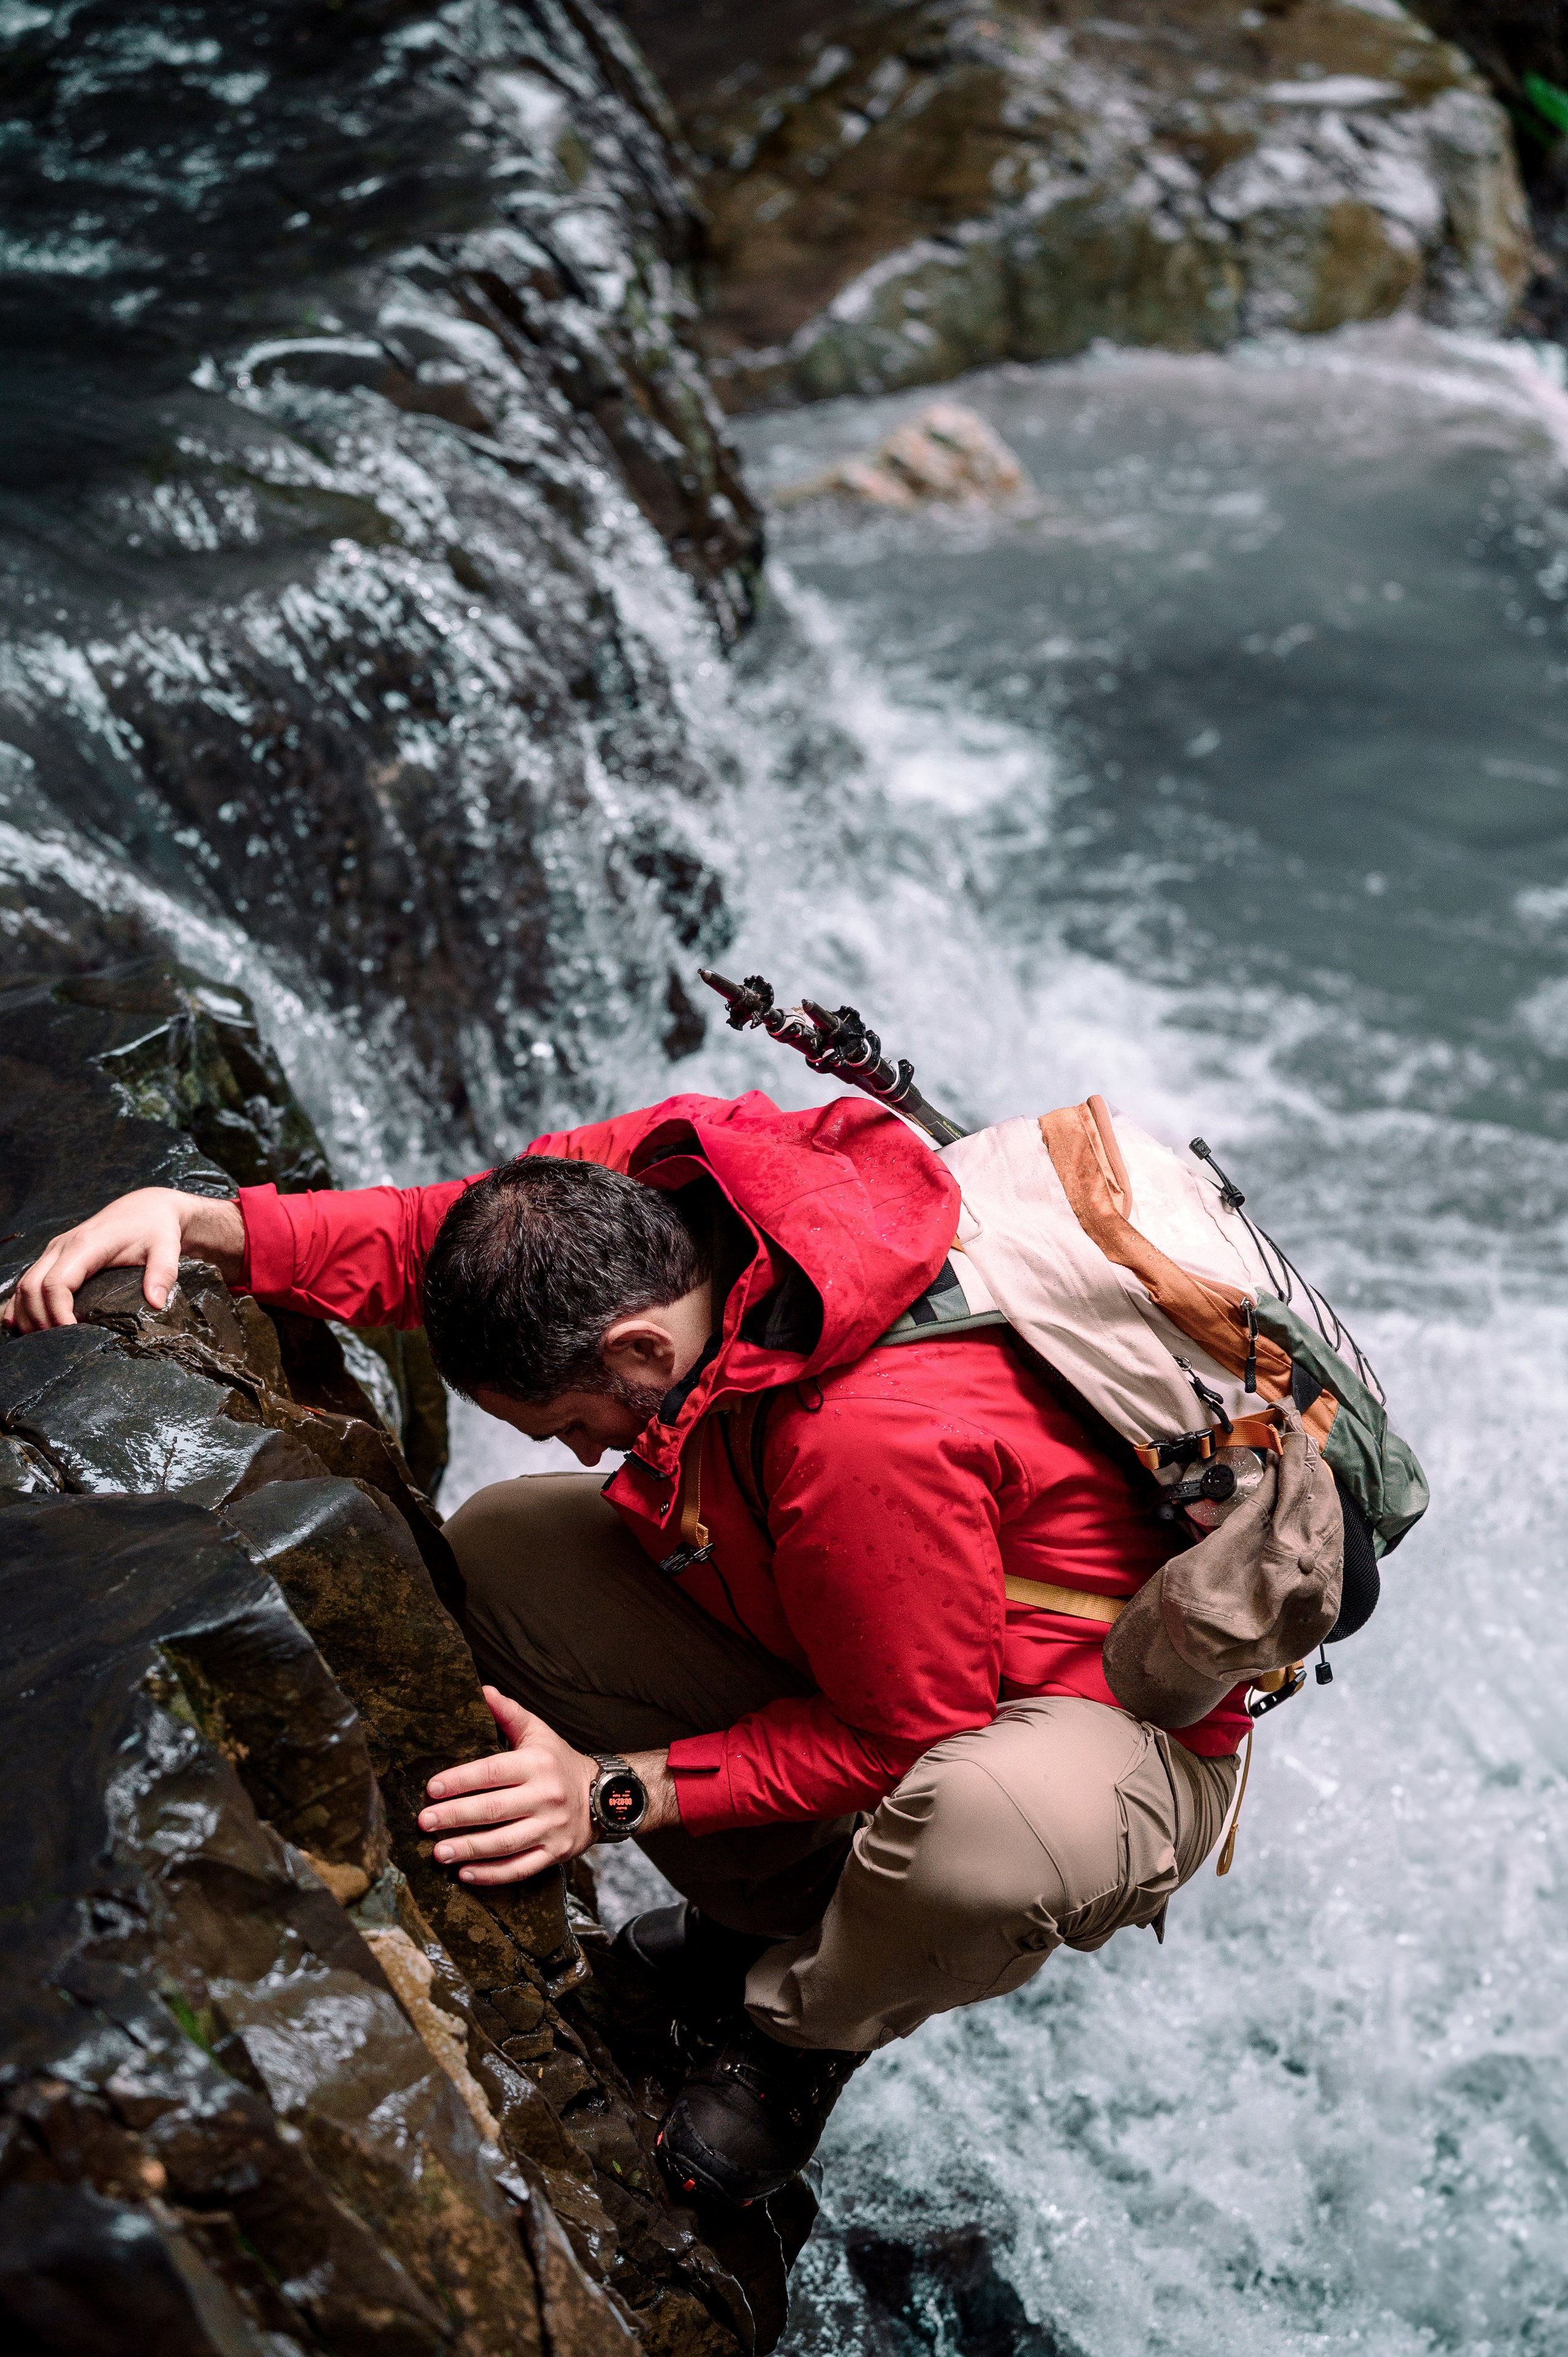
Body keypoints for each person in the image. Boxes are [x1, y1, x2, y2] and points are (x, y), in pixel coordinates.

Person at [4, 1088, 1244, 2208]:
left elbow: (900, 1734)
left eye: (576, 1420)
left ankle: (800, 2031)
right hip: (883, 1603)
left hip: (1087, 1719)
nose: (583, 1453)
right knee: (505, 1549)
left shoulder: (856, 1442)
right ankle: (752, 1918)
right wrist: (203, 1221)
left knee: (976, 1836)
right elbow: (451, 1242)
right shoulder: (658, 1197)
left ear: (643, 1351)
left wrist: (608, 1793)